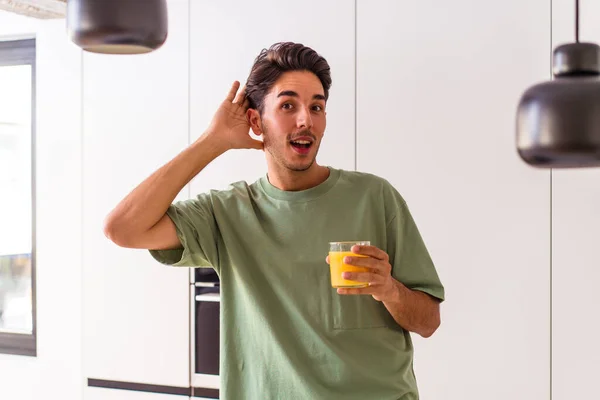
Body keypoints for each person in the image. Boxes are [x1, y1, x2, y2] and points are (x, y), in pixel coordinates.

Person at [104, 42, 445, 400]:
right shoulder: (227, 213)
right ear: (255, 121)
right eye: (288, 105)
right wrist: (213, 141)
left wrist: (388, 289)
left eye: (316, 107)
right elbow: (123, 229)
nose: (306, 120)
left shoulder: (375, 197)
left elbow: (428, 322)